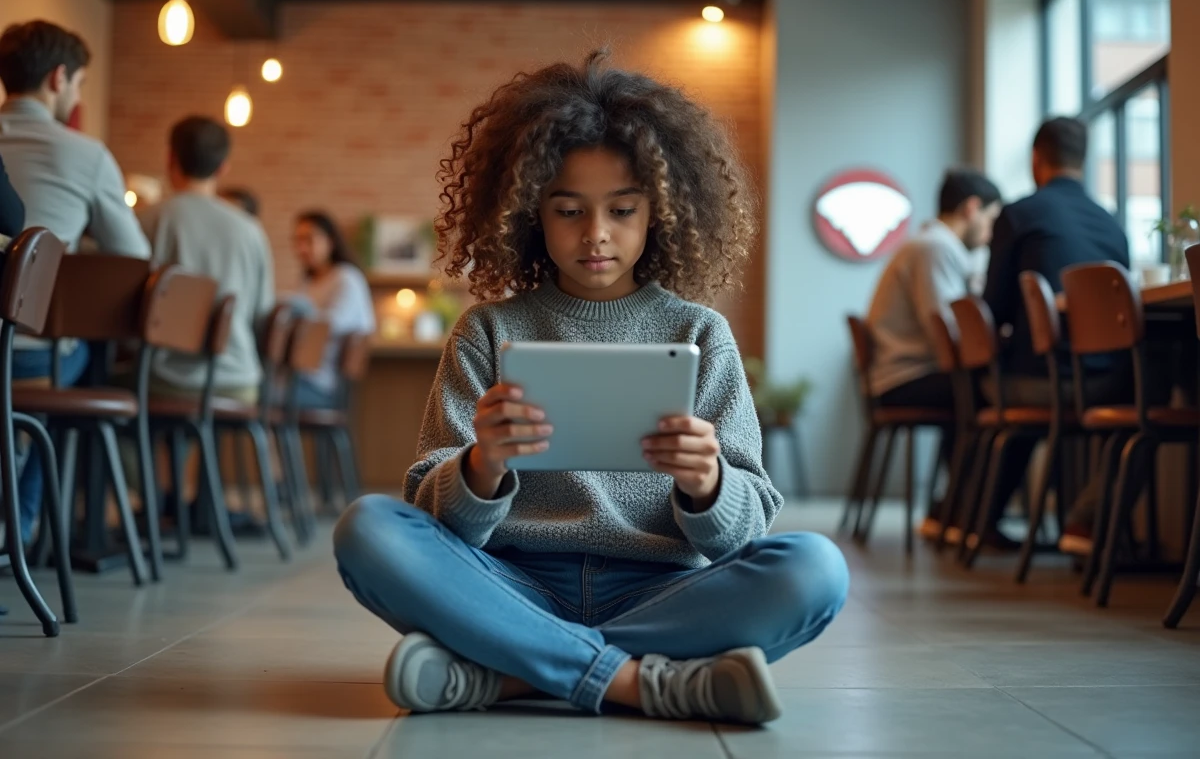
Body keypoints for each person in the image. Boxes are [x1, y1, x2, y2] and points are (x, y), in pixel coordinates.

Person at [332, 50, 849, 725]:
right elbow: (433, 519)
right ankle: (642, 682)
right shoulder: (487, 332)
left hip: (661, 592)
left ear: (658, 213)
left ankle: (507, 675)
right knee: (368, 528)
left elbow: (748, 527)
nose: (596, 234)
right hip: (512, 586)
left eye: (622, 210)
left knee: (816, 568)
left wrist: (708, 483)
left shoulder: (701, 333)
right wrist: (481, 467)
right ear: (530, 215)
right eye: (569, 210)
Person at [0, 20, 151, 546]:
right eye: (82, 83)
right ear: (60, 78)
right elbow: (133, 257)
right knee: (79, 367)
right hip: (36, 354)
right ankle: (24, 531)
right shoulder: (85, 155)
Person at [981, 117, 1133, 554]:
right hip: (1104, 381)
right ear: (1083, 161)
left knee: (993, 386)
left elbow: (993, 309)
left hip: (1037, 384)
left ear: (1035, 159)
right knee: (1152, 394)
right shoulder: (1112, 222)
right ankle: (1088, 521)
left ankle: (970, 516)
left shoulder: (1019, 213)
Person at [866, 169, 1002, 538]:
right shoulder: (936, 248)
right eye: (992, 219)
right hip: (904, 377)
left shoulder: (927, 245)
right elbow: (947, 332)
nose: (991, 233)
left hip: (899, 374)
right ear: (972, 209)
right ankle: (964, 516)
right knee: (987, 395)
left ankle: (954, 511)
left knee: (970, 391)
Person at [139, 116, 275, 403]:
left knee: (110, 393)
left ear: (170, 158)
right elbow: (262, 313)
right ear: (223, 167)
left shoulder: (149, 219)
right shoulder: (251, 230)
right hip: (238, 379)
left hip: (167, 378)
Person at [288, 210, 375, 409]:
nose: (301, 248)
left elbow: (328, 327)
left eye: (308, 240)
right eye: (297, 241)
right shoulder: (307, 282)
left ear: (331, 240)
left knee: (257, 388)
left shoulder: (346, 279)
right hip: (301, 376)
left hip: (323, 385)